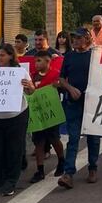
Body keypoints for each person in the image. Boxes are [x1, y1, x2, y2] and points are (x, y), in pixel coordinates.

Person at [0, 44, 33, 197]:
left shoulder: (20, 72)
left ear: (10, 56)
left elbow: (30, 91)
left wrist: (28, 86)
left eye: (2, 55)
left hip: (17, 116)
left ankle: (11, 181)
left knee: (14, 149)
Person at [57, 28, 100, 189]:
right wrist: (70, 88)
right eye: (73, 38)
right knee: (73, 138)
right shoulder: (69, 56)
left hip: (91, 103)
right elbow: (61, 78)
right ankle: (68, 173)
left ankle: (93, 167)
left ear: (87, 40)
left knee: (93, 138)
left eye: (79, 38)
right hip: (73, 103)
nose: (75, 40)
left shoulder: (95, 56)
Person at [28, 52, 66, 183]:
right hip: (37, 112)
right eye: (35, 61)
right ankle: (40, 169)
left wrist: (59, 86)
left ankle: (61, 160)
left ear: (48, 61)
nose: (36, 64)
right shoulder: (32, 76)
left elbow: (63, 86)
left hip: (51, 112)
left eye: (39, 61)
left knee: (54, 138)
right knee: (38, 142)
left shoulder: (55, 75)